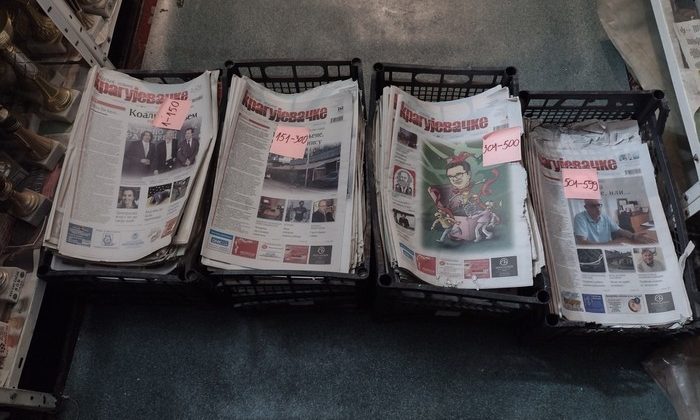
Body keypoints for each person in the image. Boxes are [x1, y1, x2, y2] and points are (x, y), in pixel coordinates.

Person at [573, 199, 648, 244]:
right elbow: (582, 242)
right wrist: (609, 244)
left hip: (610, 249)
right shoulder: (580, 218)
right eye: (593, 206)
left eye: (598, 205)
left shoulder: (605, 216)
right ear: (586, 207)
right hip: (594, 252)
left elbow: (619, 230)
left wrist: (633, 236)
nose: (597, 208)